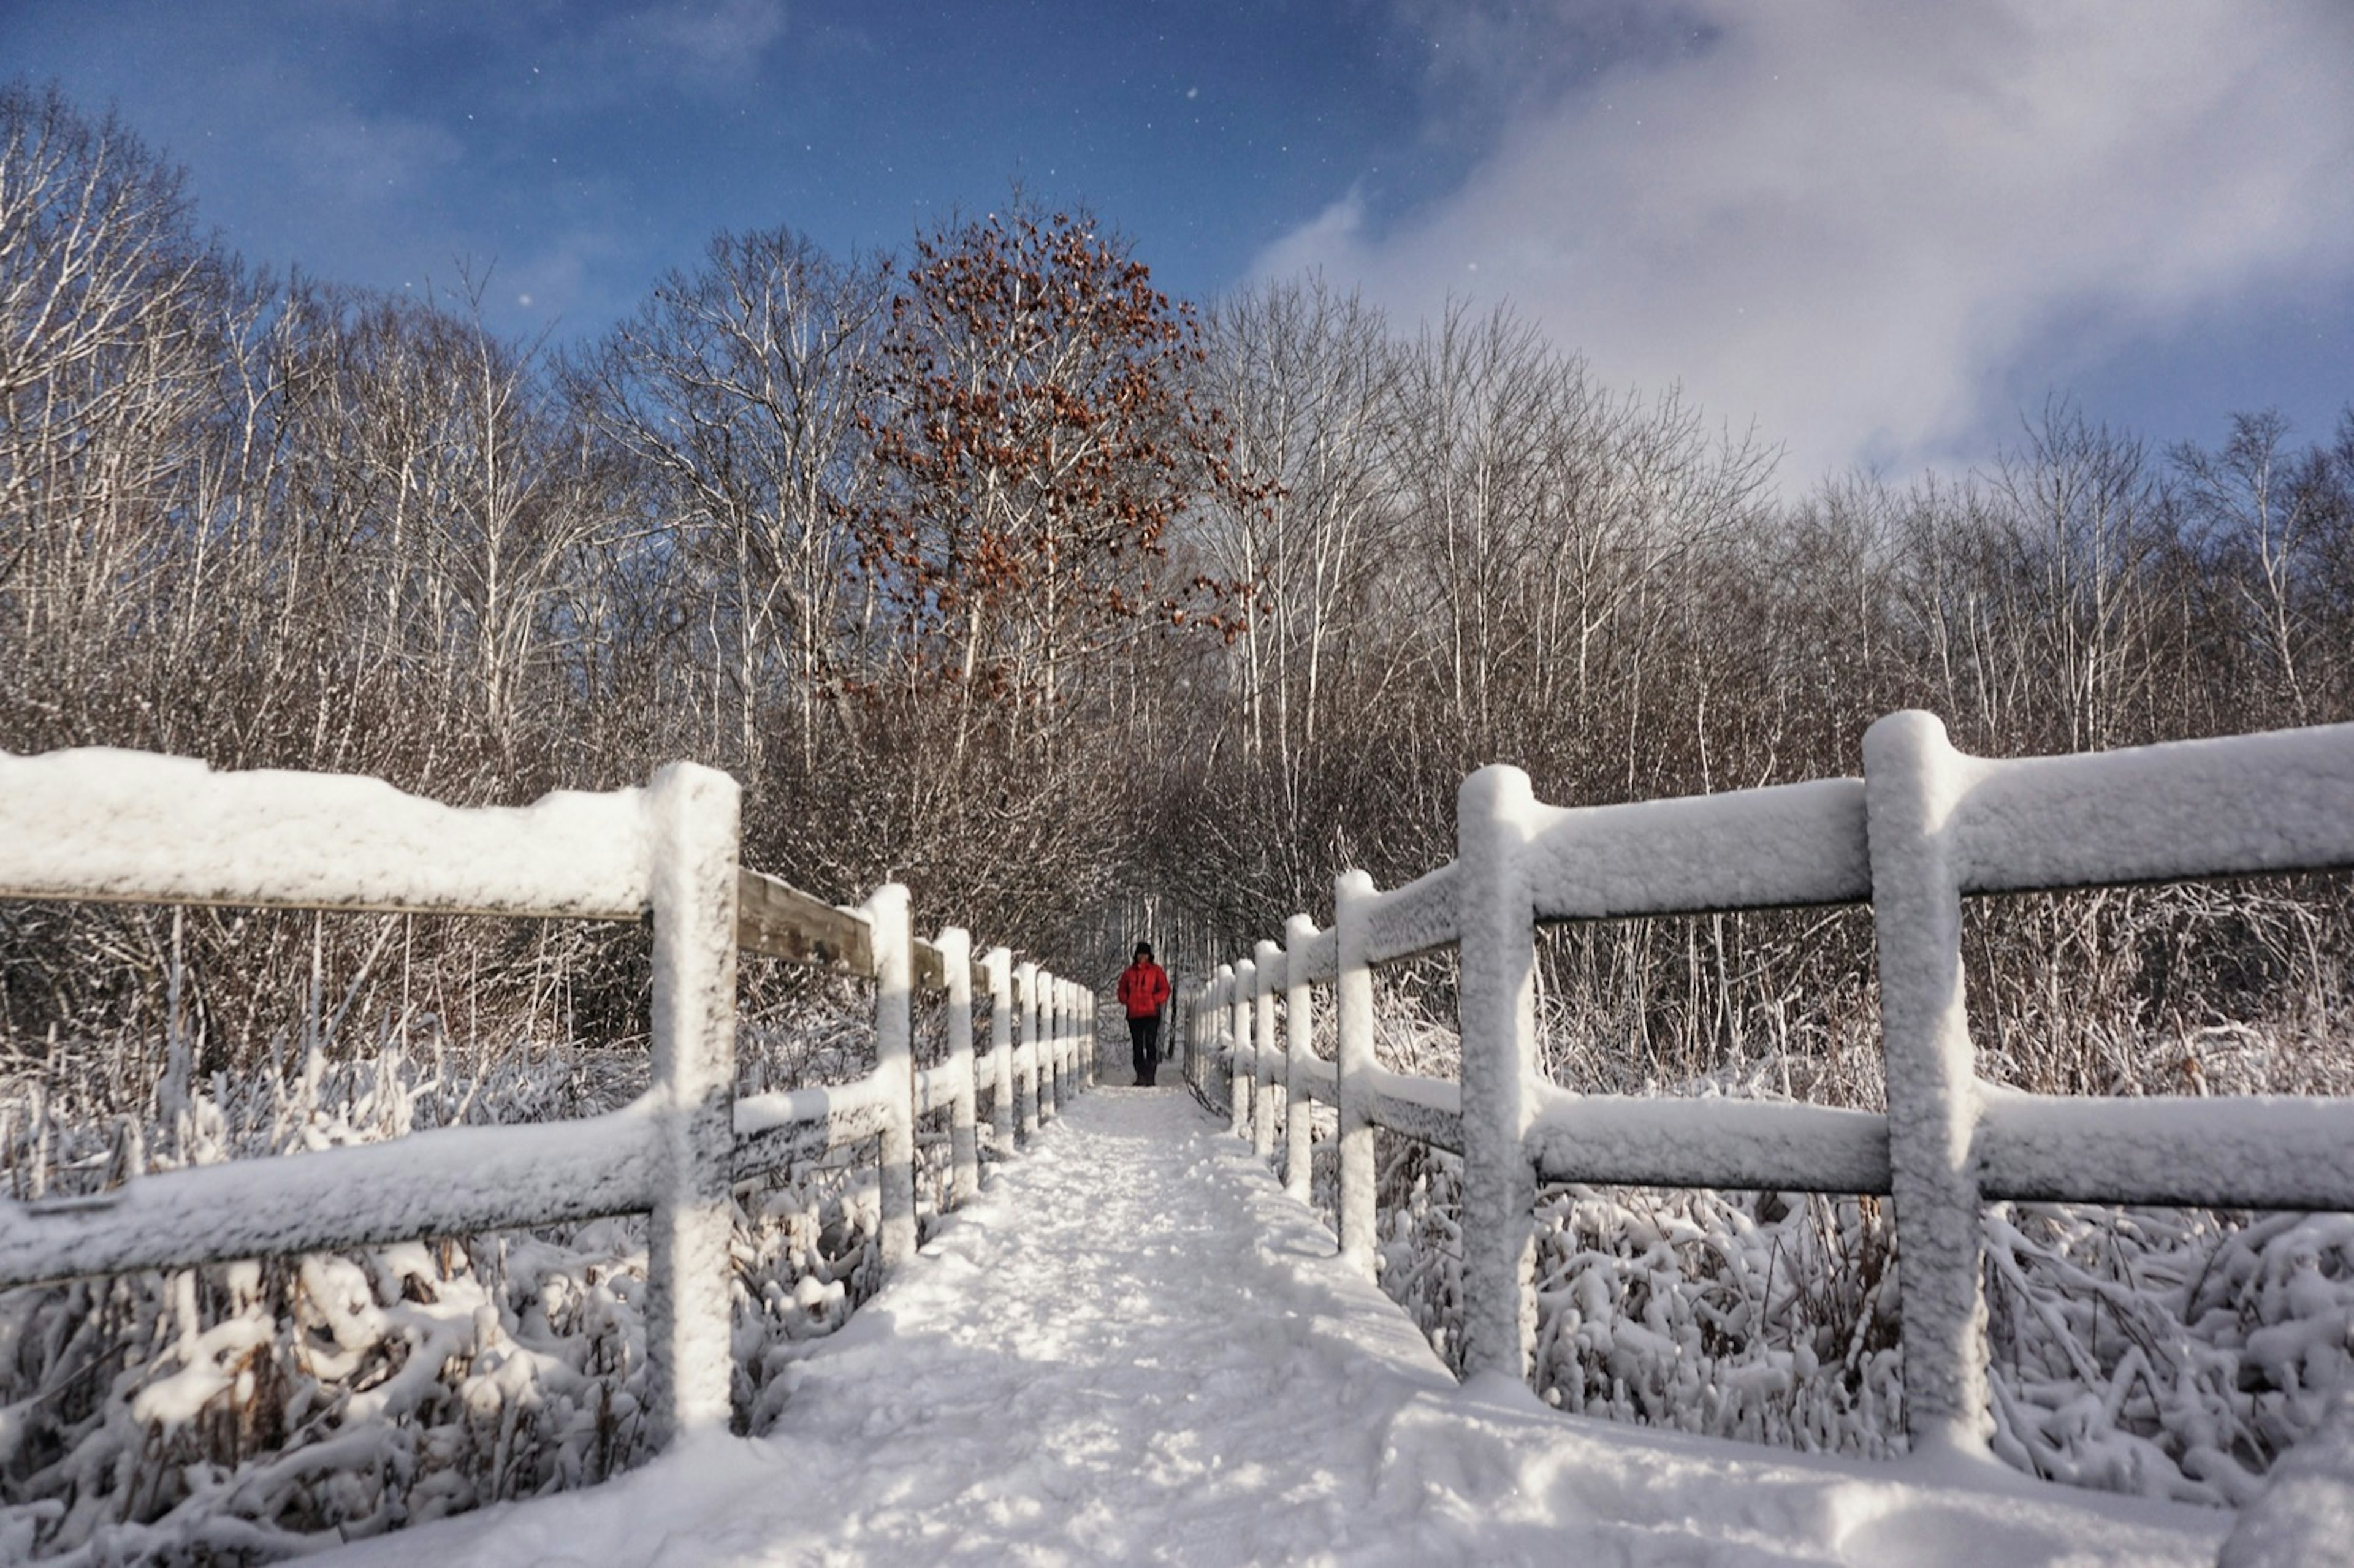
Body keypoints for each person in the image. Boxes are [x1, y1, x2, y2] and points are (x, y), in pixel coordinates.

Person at [1116, 940, 1170, 1087]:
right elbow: (1121, 990)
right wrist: (1126, 999)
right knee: (1138, 1045)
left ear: (1149, 955)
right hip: (1134, 1015)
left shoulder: (1156, 971)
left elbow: (1165, 989)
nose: (1142, 957)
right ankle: (1141, 1076)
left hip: (1151, 1013)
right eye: (1140, 954)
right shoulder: (1129, 973)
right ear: (1136, 955)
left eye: (1145, 954)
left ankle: (1150, 1075)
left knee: (1151, 1044)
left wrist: (1155, 999)